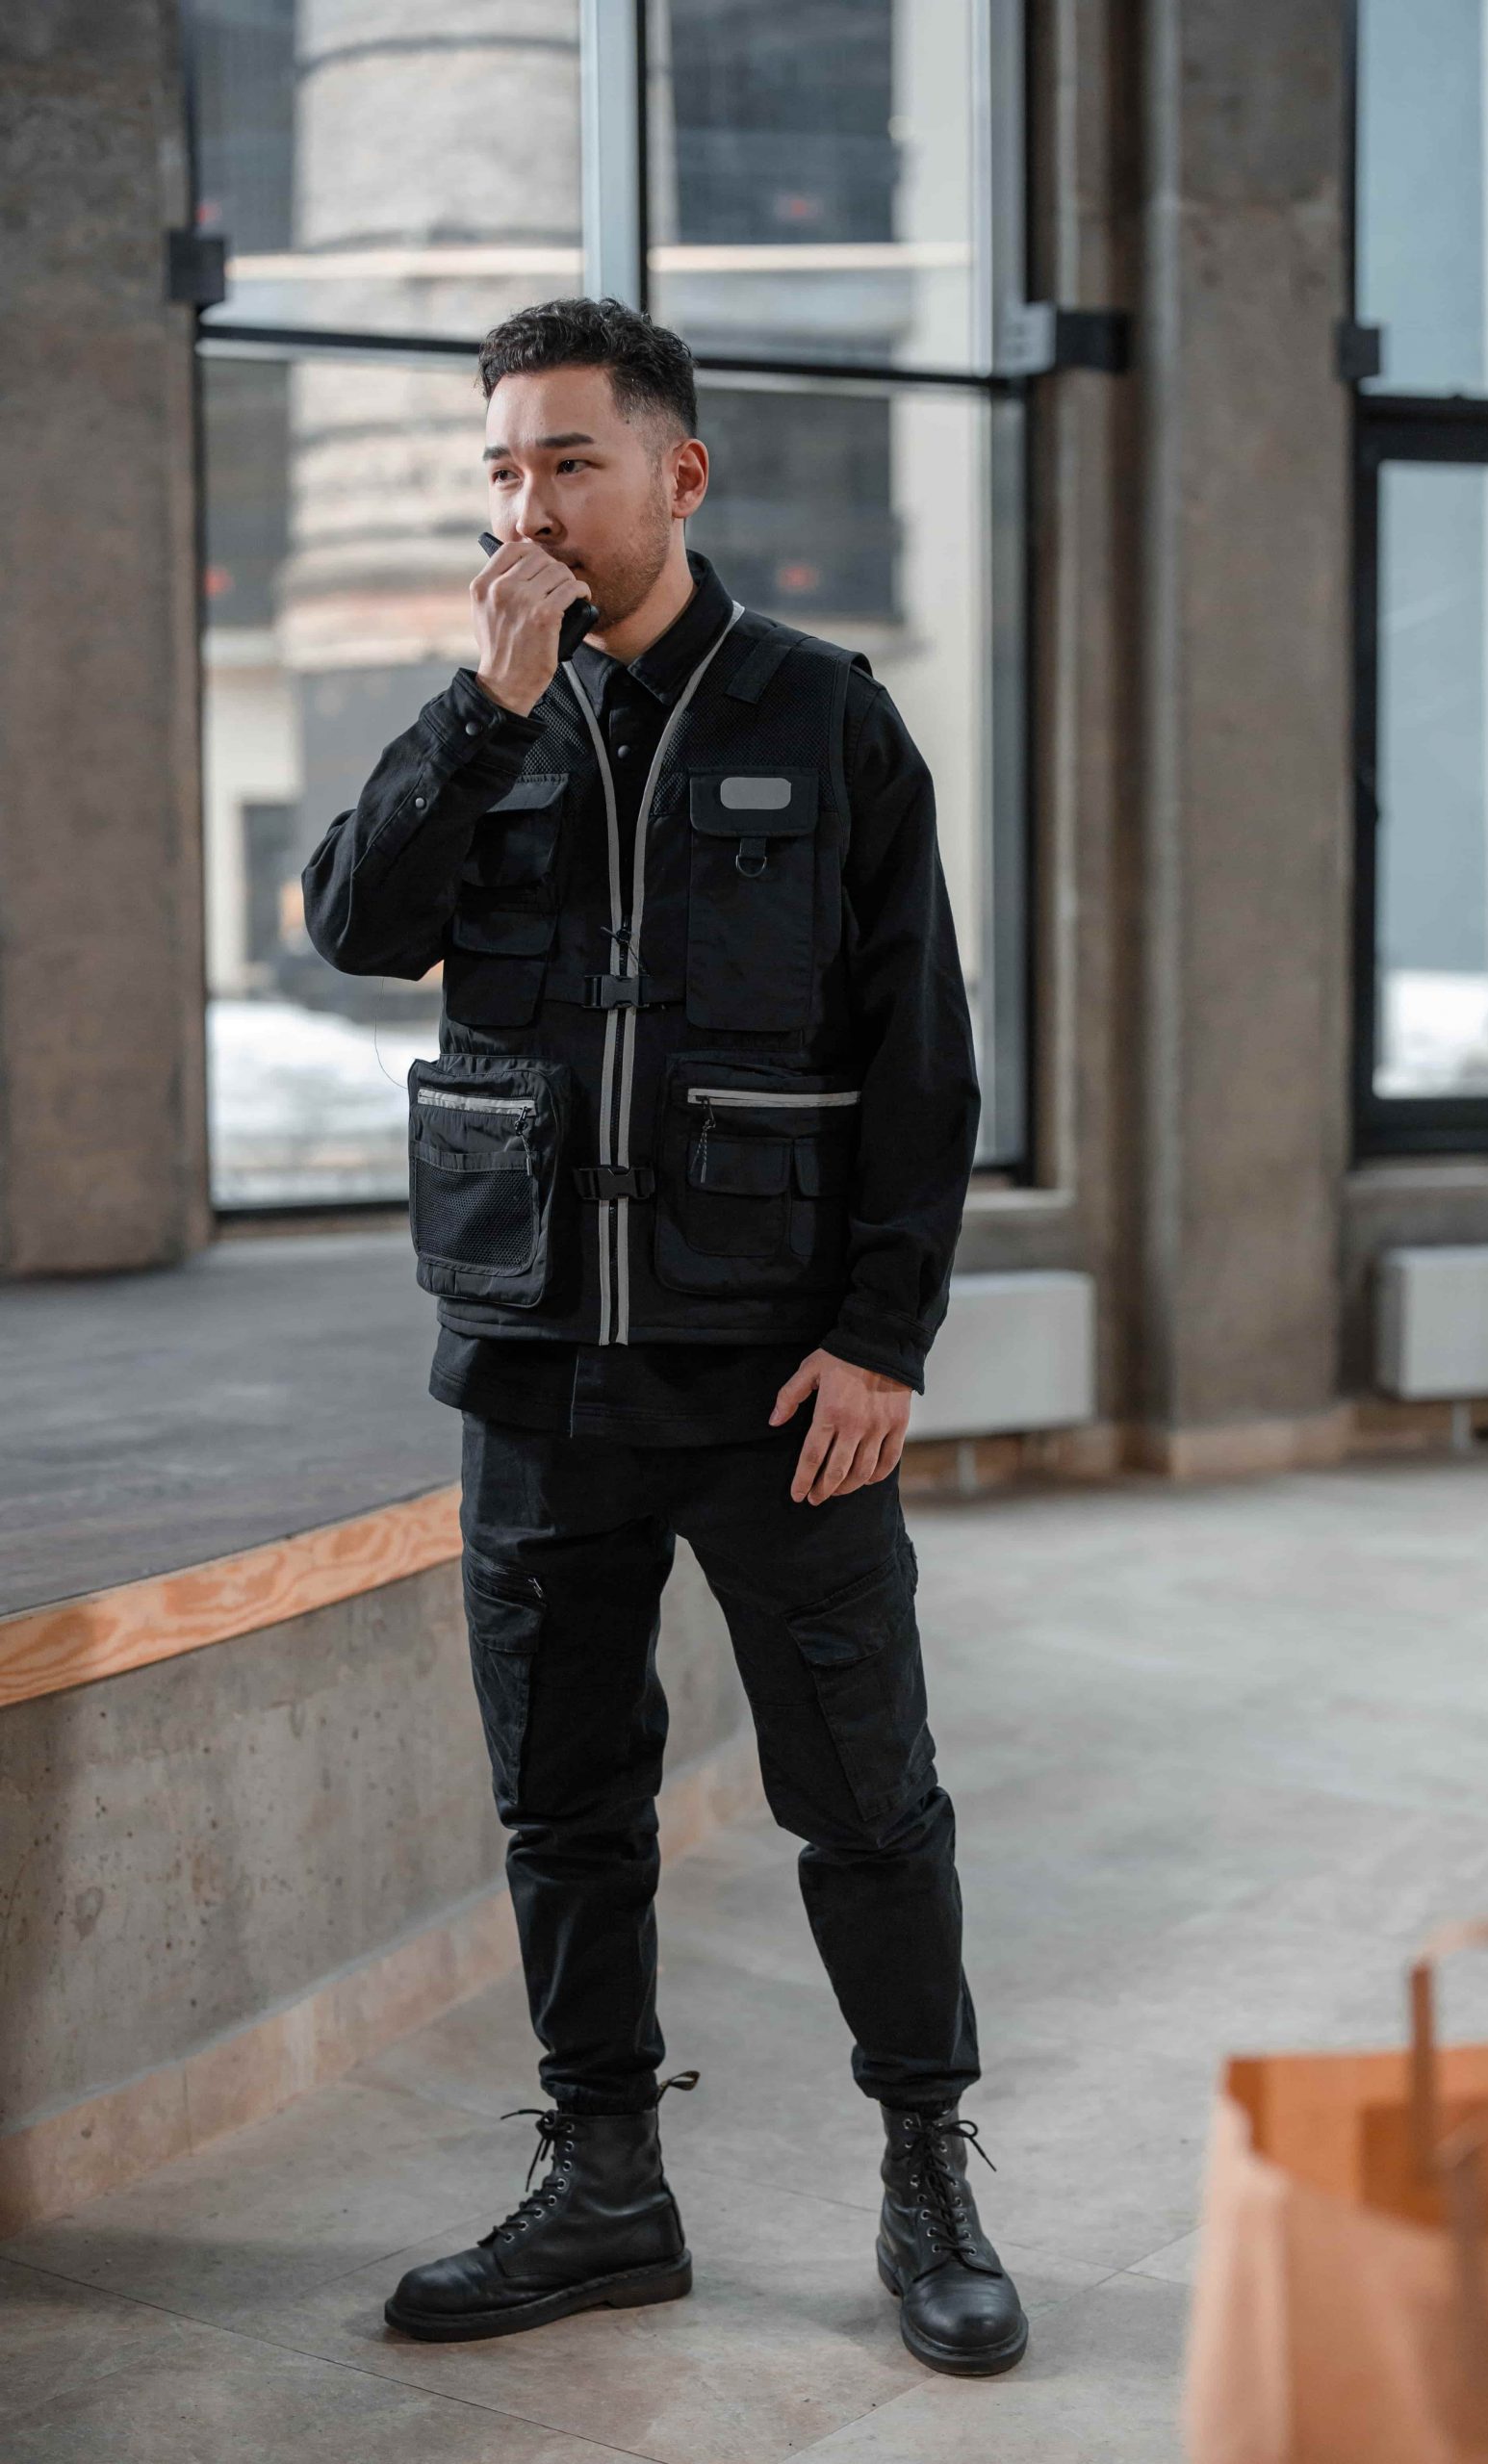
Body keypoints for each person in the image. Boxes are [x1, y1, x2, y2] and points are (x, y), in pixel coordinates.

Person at [302, 295, 1025, 2378]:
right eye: (501, 470)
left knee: (865, 1796)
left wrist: (882, 1336)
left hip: (772, 1375)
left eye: (569, 462)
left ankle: (926, 2169)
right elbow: (353, 925)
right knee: (563, 1805)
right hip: (538, 1367)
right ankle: (606, 2183)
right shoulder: (483, 718)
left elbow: (920, 1052)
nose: (527, 507)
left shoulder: (823, 714)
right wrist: (483, 710)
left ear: (676, 474)